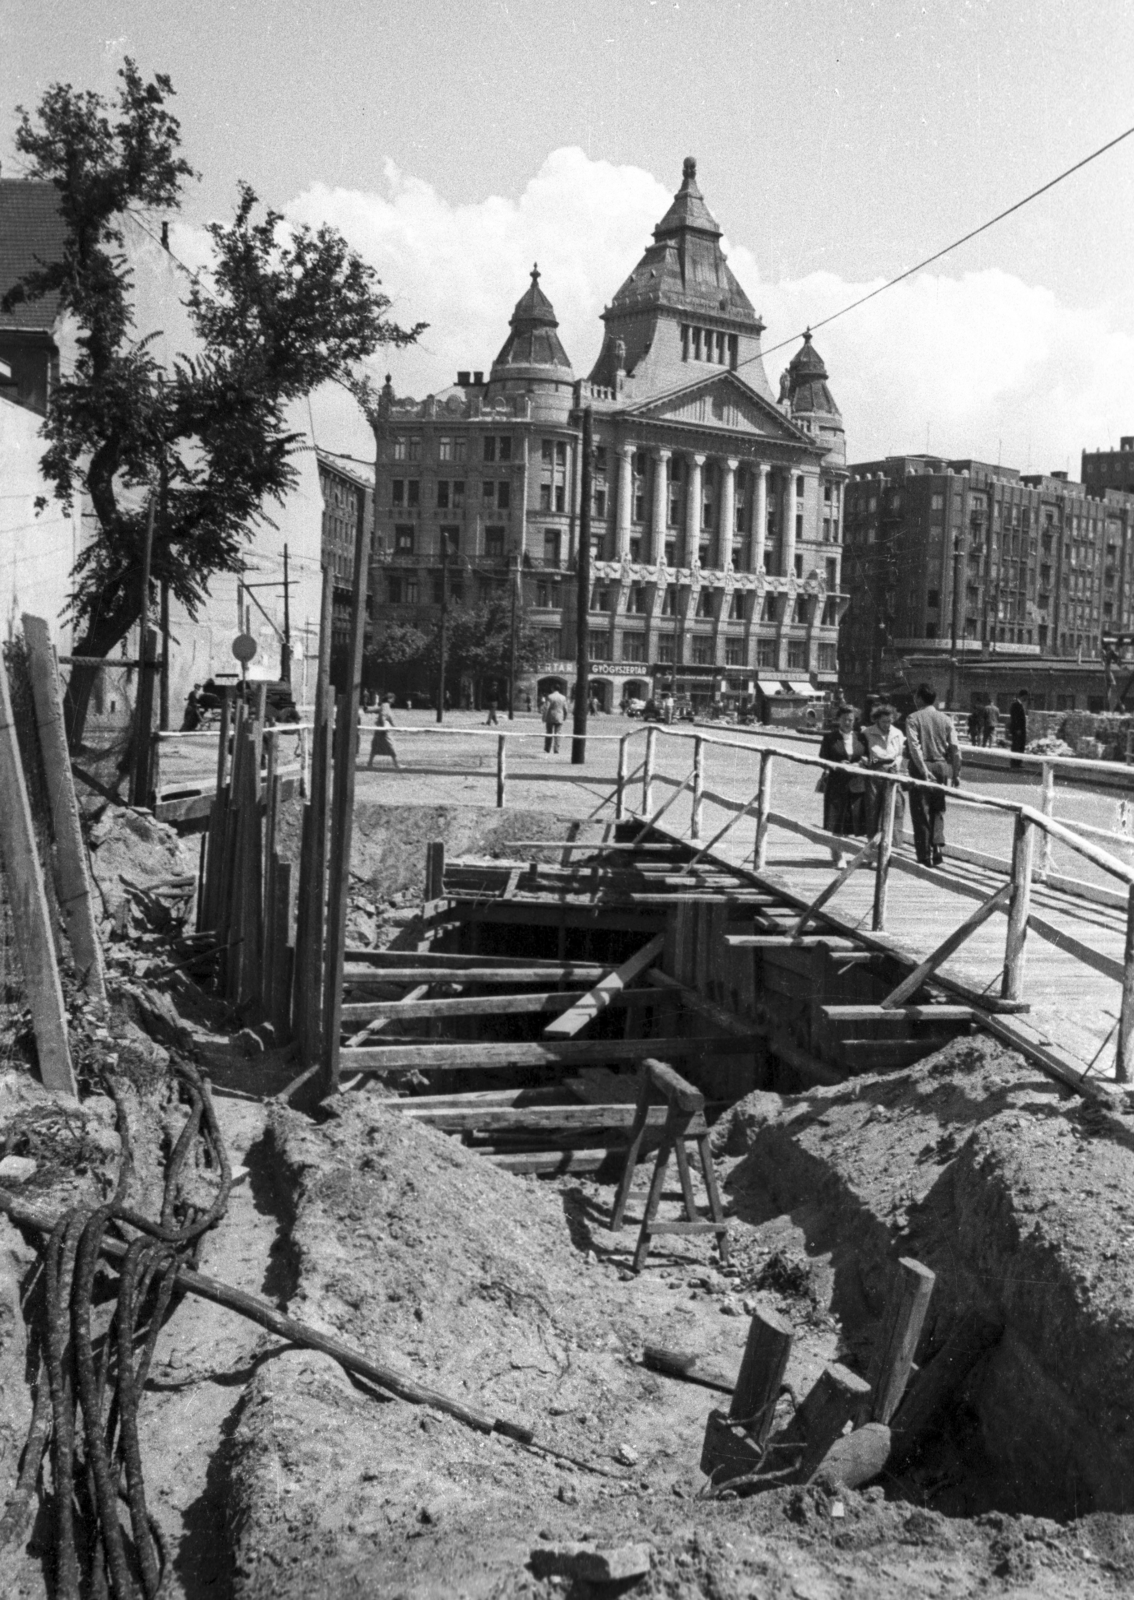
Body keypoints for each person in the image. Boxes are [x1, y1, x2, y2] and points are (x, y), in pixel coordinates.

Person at [904, 683, 961, 867]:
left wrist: (923, 770)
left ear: (920, 698)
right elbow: (956, 749)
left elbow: (914, 747)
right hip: (941, 766)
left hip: (922, 768)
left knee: (920, 811)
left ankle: (924, 855)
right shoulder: (946, 719)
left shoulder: (913, 718)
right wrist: (956, 773)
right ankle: (937, 848)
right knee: (937, 809)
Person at [818, 703, 866, 866]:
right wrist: (838, 764)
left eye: (851, 720)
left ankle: (838, 849)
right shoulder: (829, 738)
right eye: (845, 719)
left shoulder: (861, 737)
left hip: (856, 784)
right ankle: (839, 855)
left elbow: (872, 759)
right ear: (838, 720)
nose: (848, 723)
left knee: (850, 820)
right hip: (836, 783)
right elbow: (822, 759)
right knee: (836, 819)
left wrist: (860, 764)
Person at [861, 702, 906, 837]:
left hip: (892, 772)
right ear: (877, 719)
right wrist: (868, 762)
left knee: (896, 807)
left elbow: (899, 755)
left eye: (889, 721)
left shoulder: (897, 733)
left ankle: (893, 845)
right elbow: (863, 754)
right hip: (875, 772)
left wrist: (896, 764)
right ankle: (871, 844)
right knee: (873, 808)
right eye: (883, 722)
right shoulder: (868, 732)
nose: (887, 724)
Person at [367, 696, 400, 769]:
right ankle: (397, 765)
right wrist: (383, 727)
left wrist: (396, 727)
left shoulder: (384, 705)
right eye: (392, 698)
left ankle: (369, 763)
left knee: (375, 746)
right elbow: (383, 716)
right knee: (391, 746)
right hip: (384, 730)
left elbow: (389, 718)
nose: (394, 700)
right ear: (389, 699)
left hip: (380, 729)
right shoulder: (385, 705)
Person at [543, 686, 568, 753]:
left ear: (552, 688)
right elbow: (565, 708)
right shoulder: (563, 697)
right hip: (559, 716)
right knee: (558, 733)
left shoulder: (550, 696)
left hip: (550, 716)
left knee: (549, 732)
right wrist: (565, 716)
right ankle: (556, 749)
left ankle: (547, 748)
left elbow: (546, 708)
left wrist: (544, 717)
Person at [1009, 689, 1029, 770]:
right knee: (1016, 746)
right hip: (1018, 730)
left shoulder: (1019, 705)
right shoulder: (1015, 705)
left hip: (1020, 730)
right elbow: (1015, 718)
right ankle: (1014, 763)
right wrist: (1017, 729)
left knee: (1020, 746)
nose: (1026, 698)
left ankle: (1018, 762)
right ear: (1023, 696)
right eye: (1026, 696)